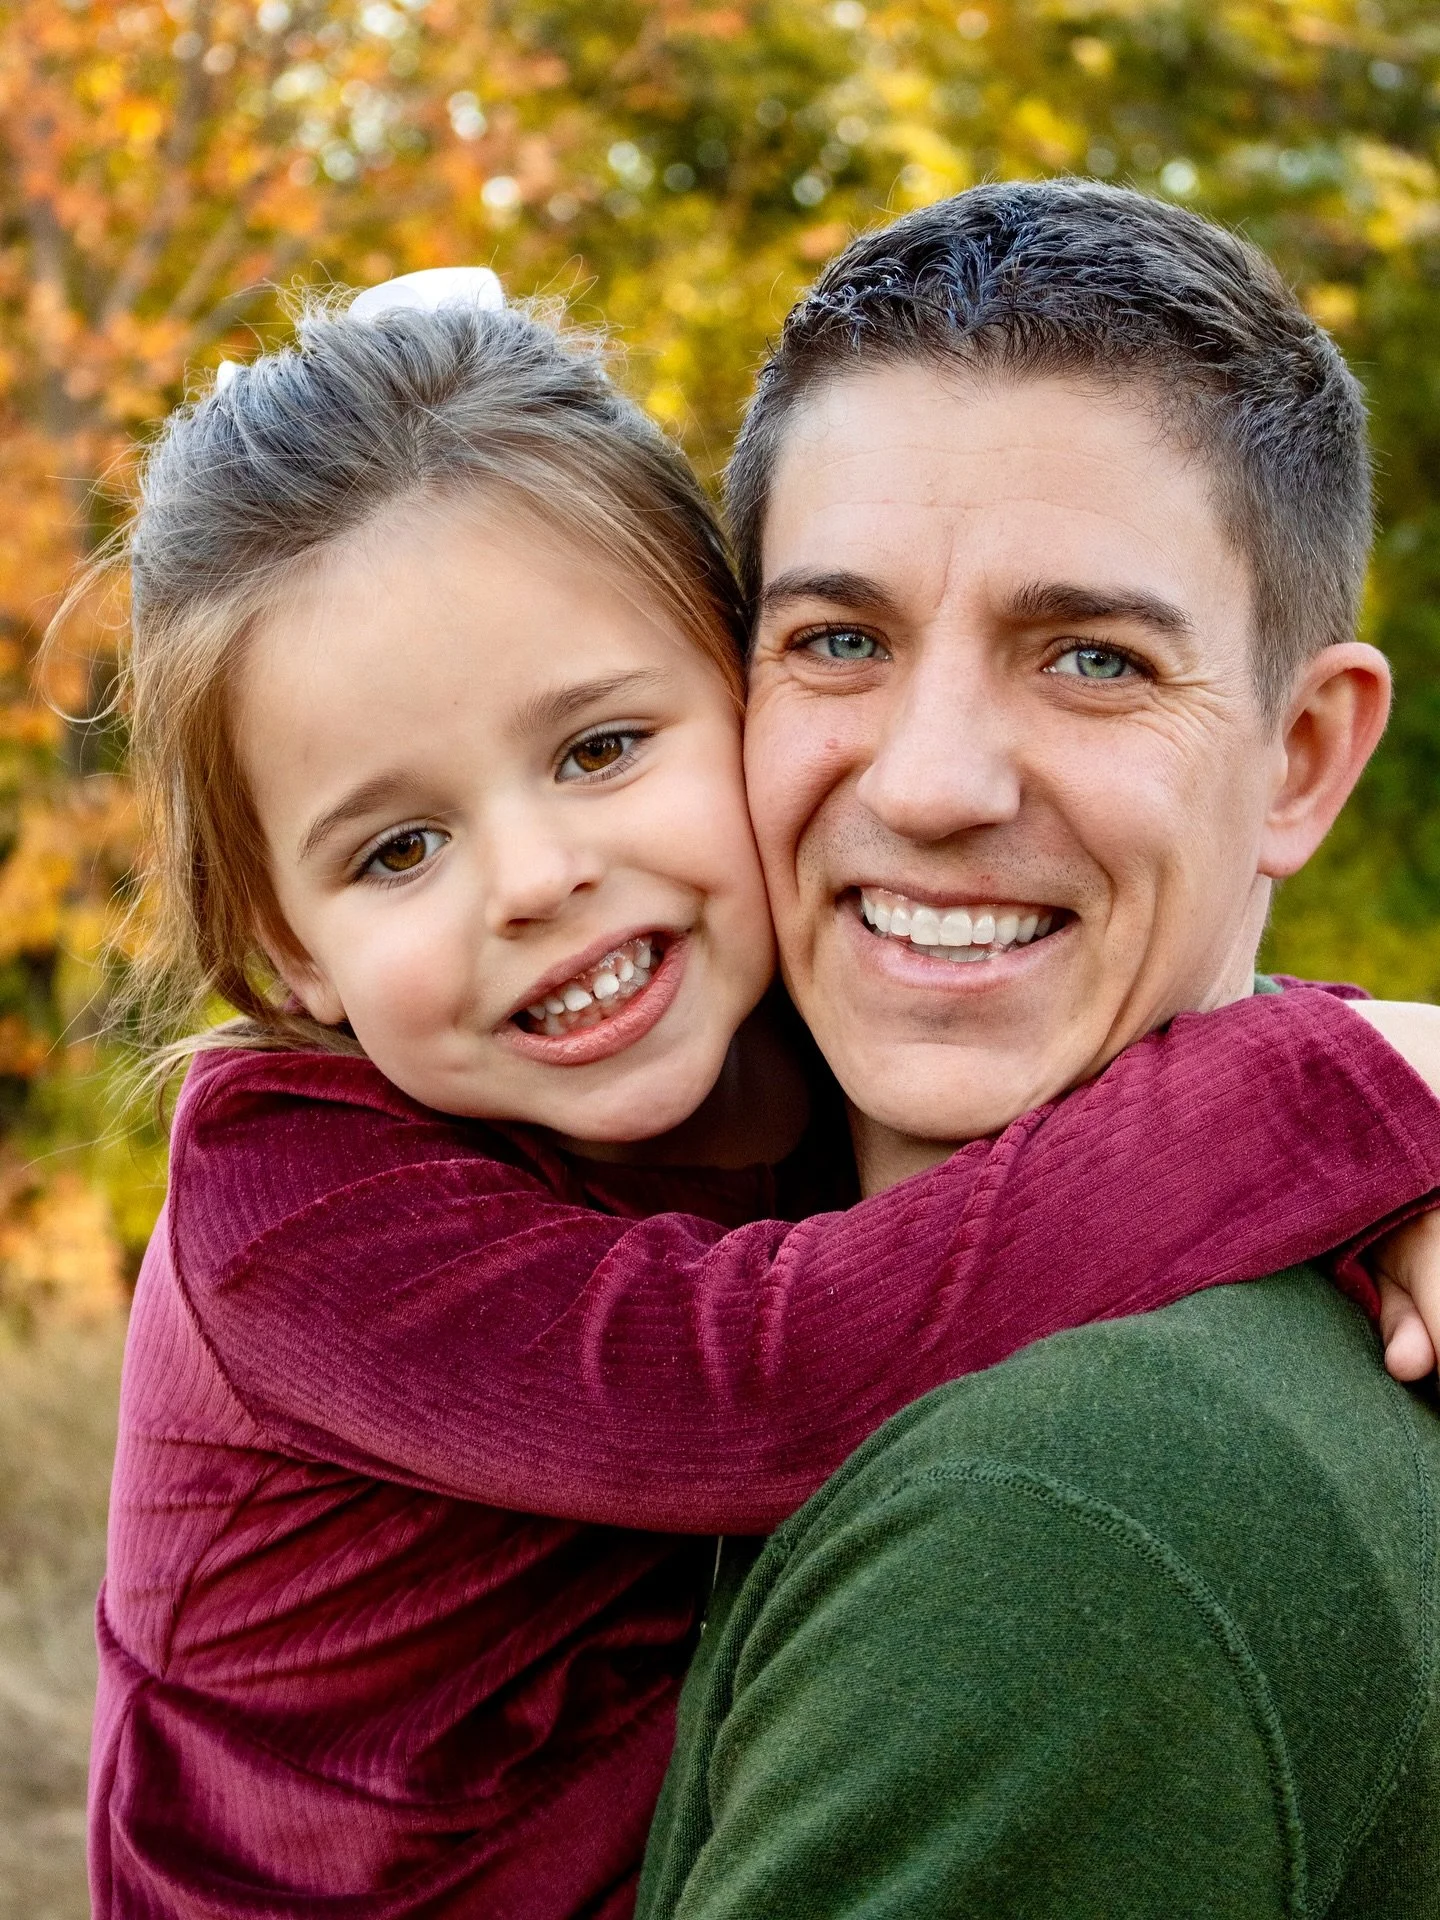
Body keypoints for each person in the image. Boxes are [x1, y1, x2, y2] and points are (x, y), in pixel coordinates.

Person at [88, 268, 1440, 1920]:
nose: (533, 879)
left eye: (599, 749)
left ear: (730, 692)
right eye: (397, 848)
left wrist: (1376, 1154)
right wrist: (1343, 1093)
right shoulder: (285, 1211)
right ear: (282, 952)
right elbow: (760, 1372)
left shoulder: (778, 1044)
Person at [636, 180, 1440, 1917]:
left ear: (1303, 756)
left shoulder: (1060, 1518)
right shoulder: (670, 1258)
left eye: (1090, 657)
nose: (930, 782)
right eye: (838, 640)